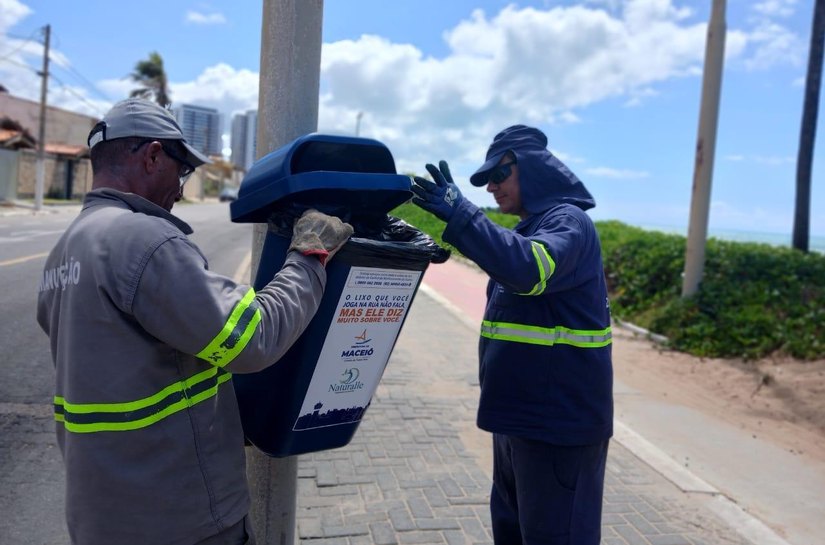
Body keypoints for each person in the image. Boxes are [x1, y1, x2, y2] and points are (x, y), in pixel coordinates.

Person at [36, 97, 353, 545]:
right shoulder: (142, 239)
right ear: (152, 156)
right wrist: (310, 256)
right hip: (177, 517)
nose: (181, 190)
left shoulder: (63, 252)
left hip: (101, 515)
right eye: (181, 170)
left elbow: (127, 364)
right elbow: (254, 337)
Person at [411, 125, 613, 545]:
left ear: (533, 168)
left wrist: (463, 215)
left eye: (499, 174)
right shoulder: (529, 228)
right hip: (519, 421)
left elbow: (529, 268)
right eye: (486, 179)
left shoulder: (568, 222)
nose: (491, 187)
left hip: (556, 428)